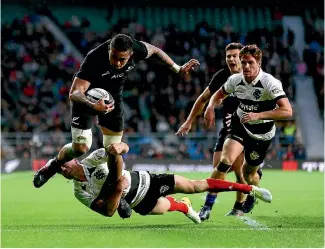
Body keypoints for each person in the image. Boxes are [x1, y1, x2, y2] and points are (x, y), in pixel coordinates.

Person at [33, 34, 200, 190]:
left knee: (114, 149)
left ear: (131, 54)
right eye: (114, 57)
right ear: (109, 50)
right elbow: (75, 93)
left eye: (123, 60)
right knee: (81, 148)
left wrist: (178, 68)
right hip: (86, 100)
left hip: (112, 99)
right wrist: (93, 106)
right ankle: (52, 166)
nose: (118, 63)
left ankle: (114, 192)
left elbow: (155, 50)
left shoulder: (138, 50)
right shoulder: (94, 58)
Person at [58, 142, 272, 223]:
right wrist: (117, 191)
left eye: (65, 164)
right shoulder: (79, 191)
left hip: (147, 181)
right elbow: (107, 212)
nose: (64, 169)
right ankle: (184, 206)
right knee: (165, 208)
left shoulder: (93, 159)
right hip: (138, 203)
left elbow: (121, 149)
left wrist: (121, 148)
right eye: (61, 170)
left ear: (75, 159)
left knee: (196, 186)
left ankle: (249, 189)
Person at [175, 43, 262, 219]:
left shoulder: (255, 77)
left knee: (233, 169)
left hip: (247, 130)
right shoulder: (222, 76)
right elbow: (202, 99)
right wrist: (189, 121)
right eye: (228, 56)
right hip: (228, 128)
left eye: (235, 55)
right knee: (219, 169)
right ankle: (253, 178)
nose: (231, 59)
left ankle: (221, 206)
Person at [204, 44, 292, 215]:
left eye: (250, 63)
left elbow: (287, 111)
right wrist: (210, 107)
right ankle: (207, 207)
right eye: (243, 62)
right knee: (225, 161)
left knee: (248, 174)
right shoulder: (235, 80)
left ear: (259, 63)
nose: (245, 67)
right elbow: (219, 94)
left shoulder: (270, 83)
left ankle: (252, 192)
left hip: (262, 133)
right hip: (241, 124)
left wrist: (258, 115)